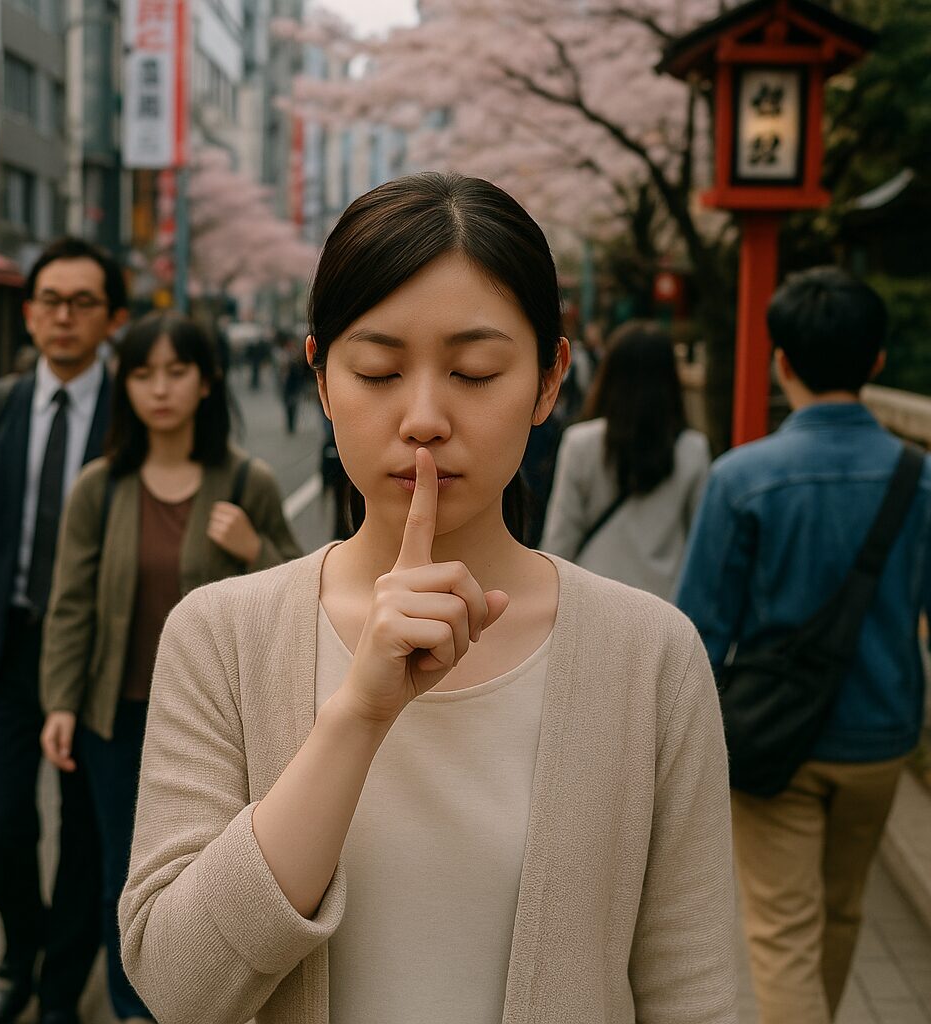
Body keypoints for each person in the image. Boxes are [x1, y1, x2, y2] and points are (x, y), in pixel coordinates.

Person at [117, 172, 737, 1024]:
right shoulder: (219, 636)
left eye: (475, 373)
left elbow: (698, 990)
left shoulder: (649, 653)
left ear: (551, 379)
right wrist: (357, 717)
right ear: (323, 379)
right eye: (377, 370)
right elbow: (178, 985)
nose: (423, 418)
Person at [676, 267, 931, 1024]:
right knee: (844, 911)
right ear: (877, 362)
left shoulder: (742, 478)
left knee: (782, 932)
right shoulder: (920, 481)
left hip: (772, 741)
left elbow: (699, 629)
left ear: (780, 360)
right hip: (882, 732)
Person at [38, 311, 302, 1023]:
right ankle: (133, 1009)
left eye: (177, 372)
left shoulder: (248, 481)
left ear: (207, 381)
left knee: (209, 875)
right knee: (122, 876)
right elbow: (71, 605)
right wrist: (61, 703)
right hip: (115, 714)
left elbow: (302, 598)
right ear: (123, 385)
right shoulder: (101, 487)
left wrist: (254, 549)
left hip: (214, 723)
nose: (160, 389)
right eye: (143, 373)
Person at [0, 237, 128, 1024]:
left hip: (95, 657)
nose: (63, 317)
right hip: (2, 648)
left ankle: (58, 983)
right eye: (50, 300)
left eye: (82, 303)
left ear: (112, 318)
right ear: (28, 312)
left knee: (88, 831)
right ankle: (23, 940)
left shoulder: (131, 414)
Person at [541, 321, 711, 599]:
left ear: (610, 375)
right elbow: (700, 545)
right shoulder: (693, 450)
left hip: (592, 597)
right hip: (664, 605)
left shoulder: (581, 442)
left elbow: (561, 537)